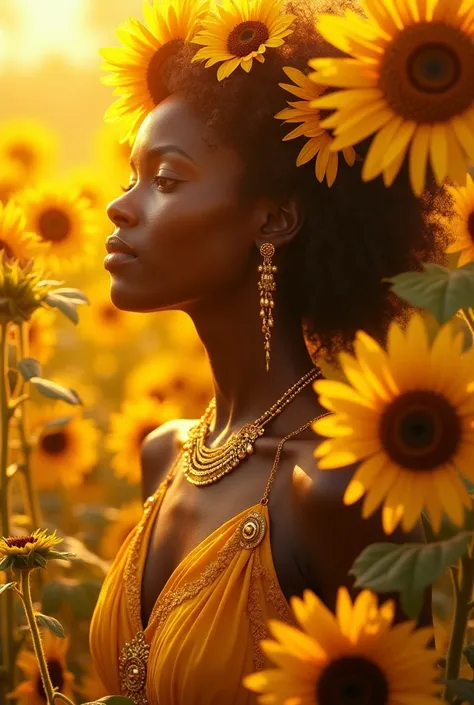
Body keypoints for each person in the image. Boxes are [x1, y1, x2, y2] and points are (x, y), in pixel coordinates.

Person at [89, 0, 450, 702]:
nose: (120, 206)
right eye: (131, 175)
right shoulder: (165, 455)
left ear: (277, 217)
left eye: (165, 180)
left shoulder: (339, 485)